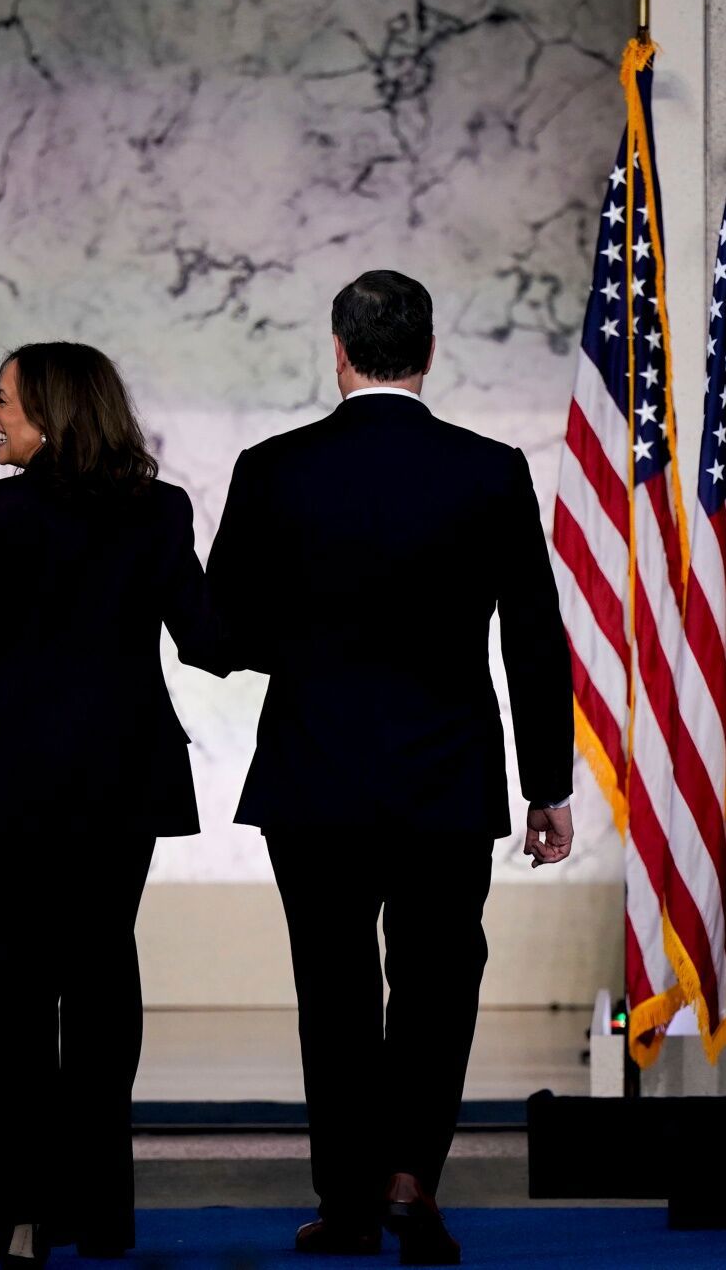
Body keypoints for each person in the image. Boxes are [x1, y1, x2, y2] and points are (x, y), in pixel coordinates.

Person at [208, 270, 575, 1266]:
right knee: (437, 979)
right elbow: (535, 639)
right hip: (446, 777)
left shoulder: (273, 467)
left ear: (338, 349)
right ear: (426, 352)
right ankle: (412, 1172)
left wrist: (292, 635)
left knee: (333, 988)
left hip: (313, 772)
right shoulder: (488, 470)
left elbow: (223, 627)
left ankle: (348, 1201)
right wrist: (548, 781)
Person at [0, 342, 225, 1268]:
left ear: (51, 411)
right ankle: (105, 1214)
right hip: (125, 780)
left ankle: (23, 1216)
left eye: (4, 400)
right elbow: (204, 638)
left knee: (22, 991)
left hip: (19, 783)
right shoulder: (159, 511)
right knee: (101, 983)